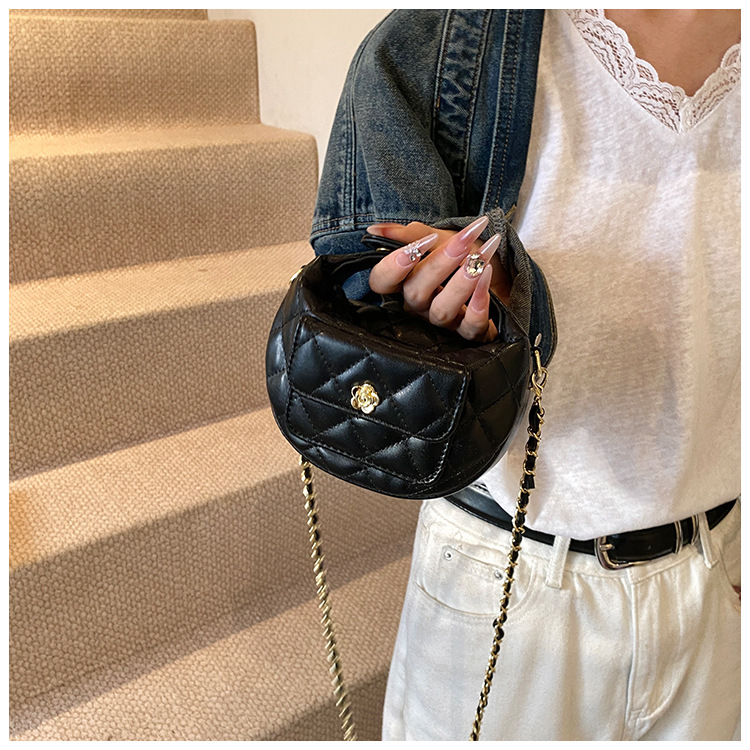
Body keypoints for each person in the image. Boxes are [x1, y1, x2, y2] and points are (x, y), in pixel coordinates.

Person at [310, 9, 740, 741]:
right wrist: (455, 315)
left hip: (718, 570)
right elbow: (356, 295)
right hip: (509, 579)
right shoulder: (452, 40)